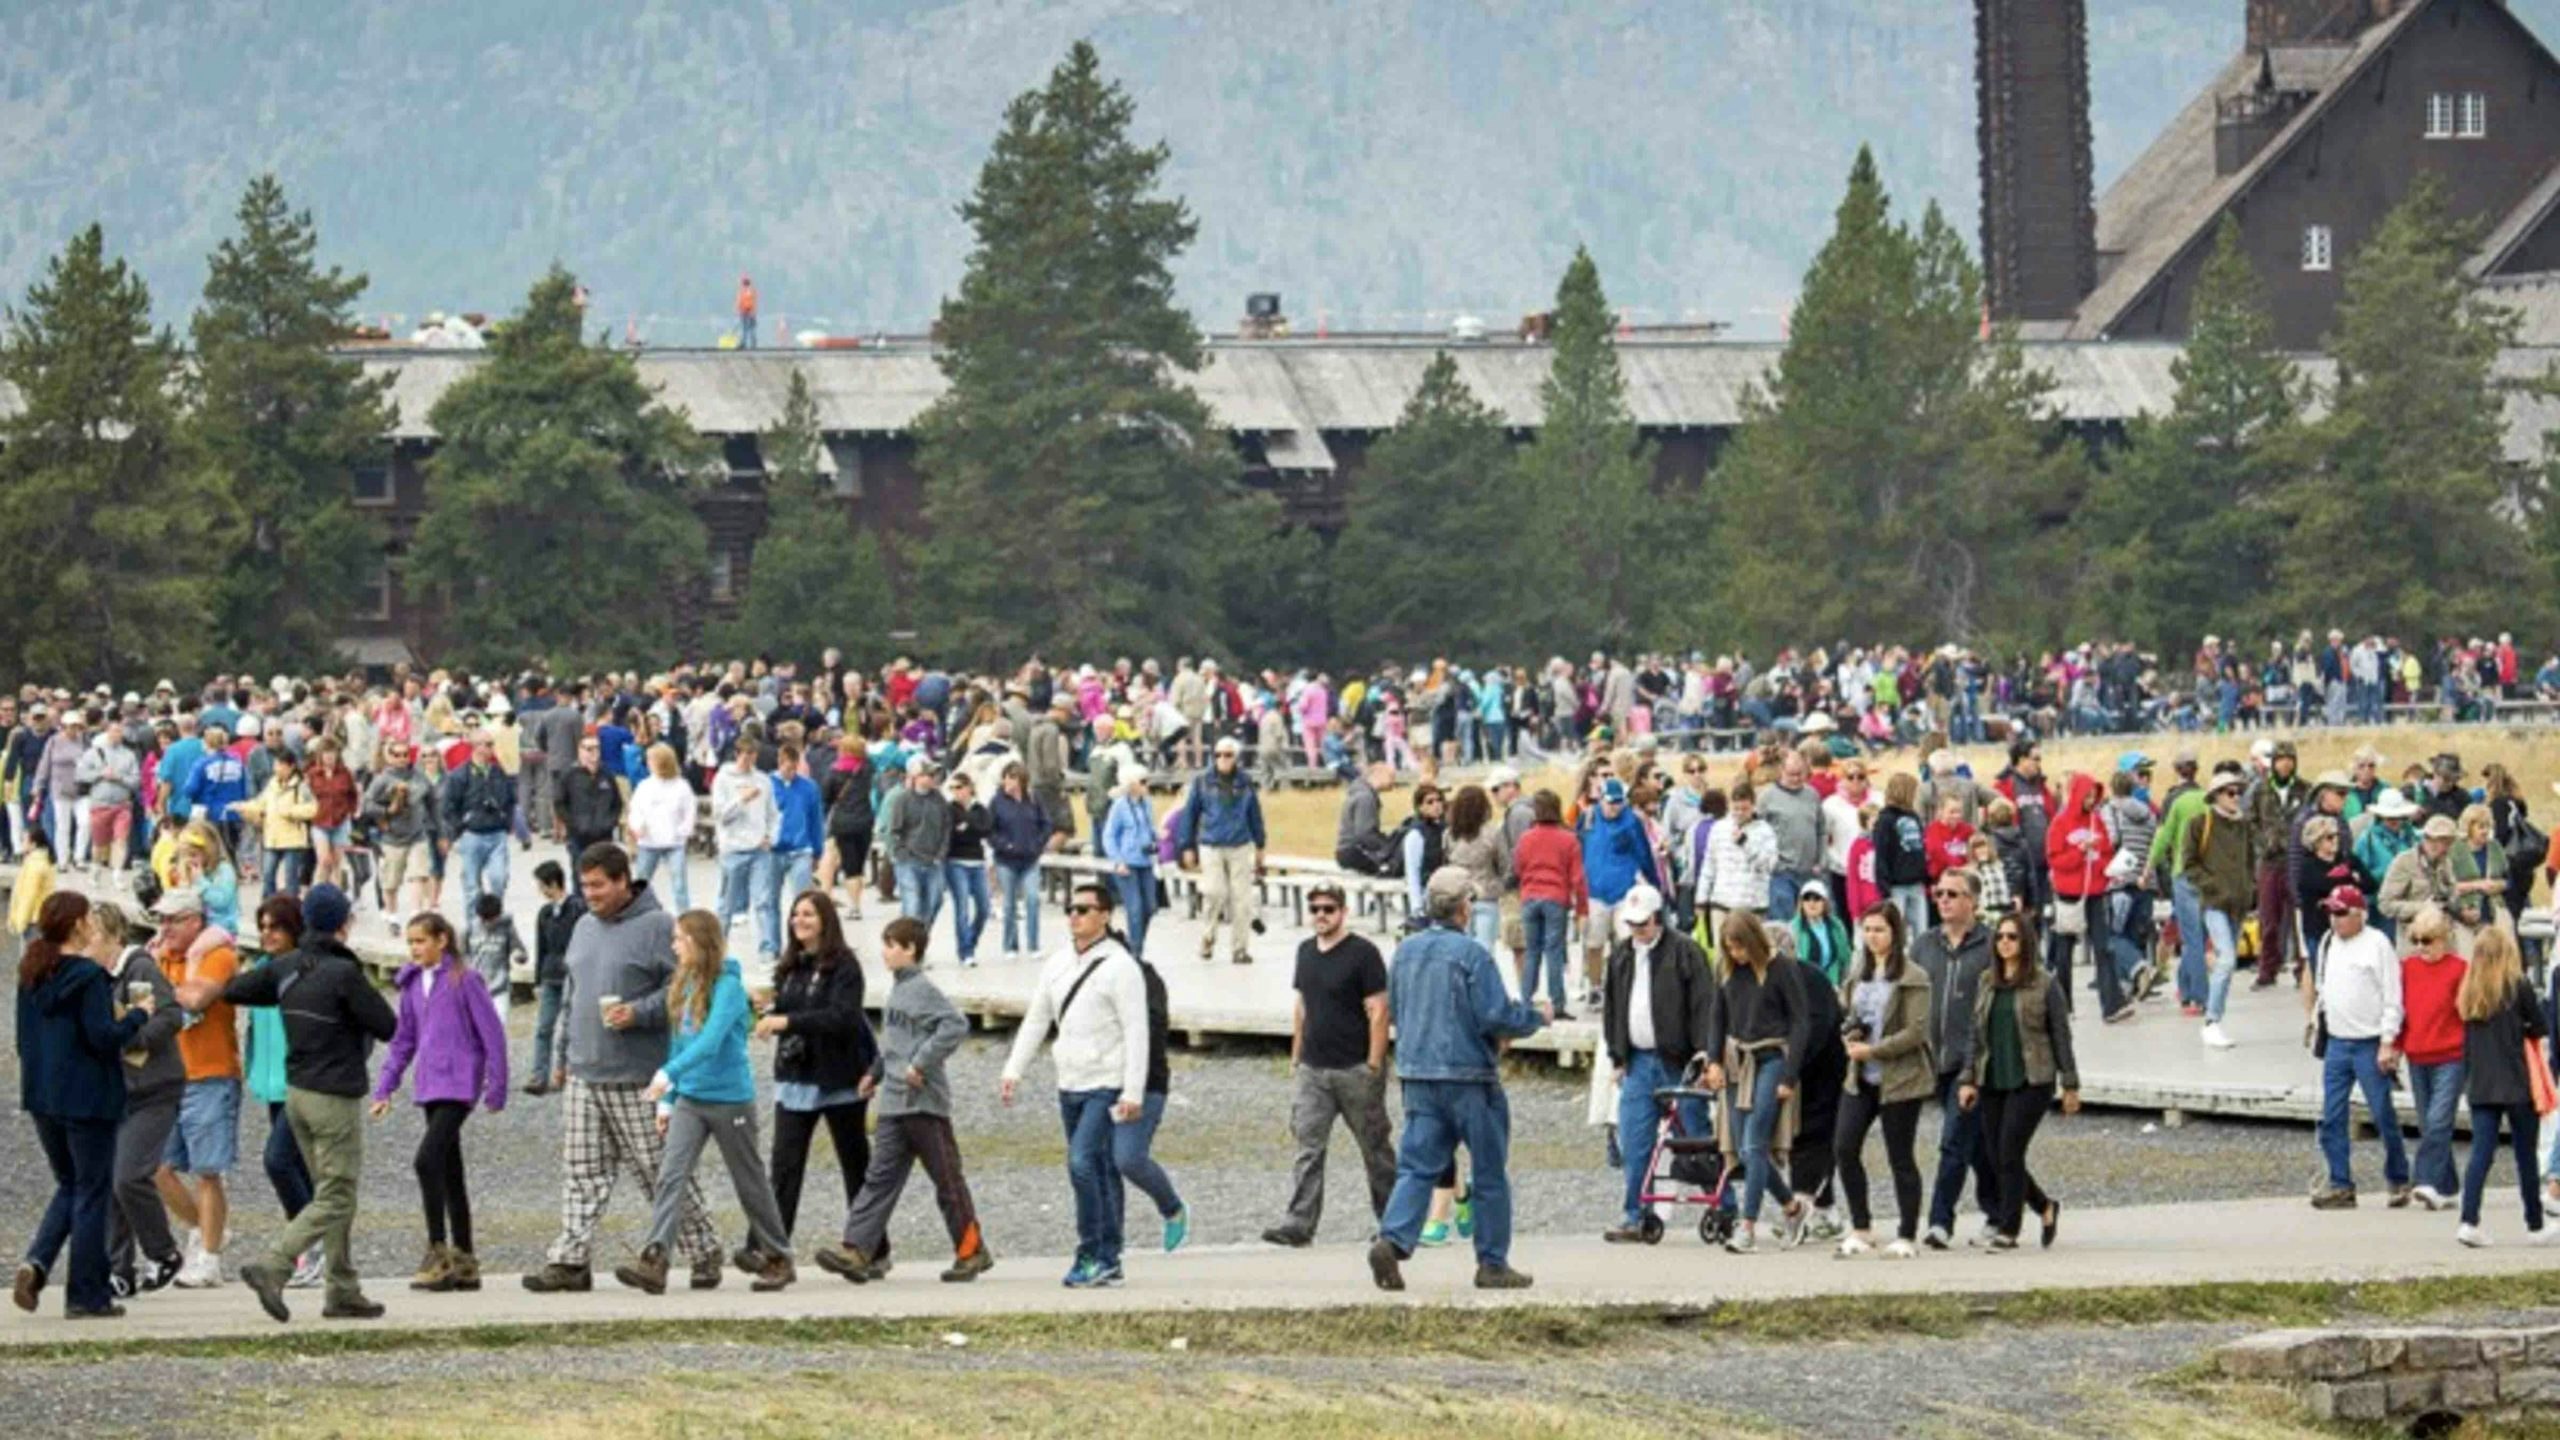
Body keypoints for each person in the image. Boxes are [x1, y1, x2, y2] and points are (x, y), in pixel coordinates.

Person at [179, 884, 399, 1323]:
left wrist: (200, 967)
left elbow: (235, 990)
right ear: (343, 924)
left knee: (329, 1193)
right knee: (337, 1194)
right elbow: (387, 1025)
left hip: (296, 1095)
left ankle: (342, 1289)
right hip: (332, 1096)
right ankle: (275, 1264)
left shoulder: (285, 968)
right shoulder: (344, 974)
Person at [525, 844, 724, 1294]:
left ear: (622, 881)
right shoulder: (583, 926)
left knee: (659, 1171)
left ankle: (704, 1249)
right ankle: (570, 1260)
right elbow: (572, 995)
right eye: (585, 885)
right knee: (581, 1171)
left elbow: (686, 987)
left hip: (638, 1076)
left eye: (598, 885)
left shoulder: (659, 927)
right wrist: (561, 1056)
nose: (590, 894)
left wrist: (640, 1012)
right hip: (584, 1072)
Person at [1368, 867, 1549, 1292]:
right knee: (1488, 1170)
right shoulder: (1471, 954)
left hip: (1417, 1074)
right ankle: (1492, 1262)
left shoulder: (1405, 952)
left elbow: (1394, 1010)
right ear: (1464, 908)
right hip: (1469, 1077)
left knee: (1417, 1167)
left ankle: (1392, 1240)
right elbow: (1494, 1015)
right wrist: (1534, 1017)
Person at [615, 910, 796, 1295]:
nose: (674, 946)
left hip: (730, 1100)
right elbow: (679, 1043)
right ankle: (656, 1258)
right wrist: (669, 1099)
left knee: (749, 1181)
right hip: (691, 1099)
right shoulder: (683, 984)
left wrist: (667, 1074)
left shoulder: (728, 987)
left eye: (679, 939)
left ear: (698, 942)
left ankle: (778, 1255)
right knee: (671, 1174)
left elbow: (710, 1042)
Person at [821, 916, 991, 1283]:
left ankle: (971, 1251)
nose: (884, 952)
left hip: (924, 1104)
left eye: (891, 945)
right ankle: (856, 1250)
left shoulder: (922, 989)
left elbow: (955, 1025)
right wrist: (874, 1073)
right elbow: (894, 1045)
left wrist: (922, 1062)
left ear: (910, 950)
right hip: (893, 1104)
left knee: (947, 1181)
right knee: (878, 1179)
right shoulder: (897, 990)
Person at [1000, 880, 1150, 1289]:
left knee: (1082, 1162)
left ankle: (1091, 1250)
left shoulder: (1121, 967)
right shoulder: (1058, 963)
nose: (1075, 916)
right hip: (1070, 1081)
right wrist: (1014, 1069)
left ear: (1105, 915)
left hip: (1107, 1082)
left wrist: (1133, 1091)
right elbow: (1038, 1017)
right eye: (1071, 909)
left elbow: (1137, 1030)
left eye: (1084, 909)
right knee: (1098, 1168)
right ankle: (1110, 1258)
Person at [13, 893, 153, 1319]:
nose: (93, 921)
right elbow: (103, 1037)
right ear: (77, 925)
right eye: (88, 916)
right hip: (88, 1097)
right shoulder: (88, 976)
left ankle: (38, 1262)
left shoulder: (32, 972)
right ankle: (86, 1294)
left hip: (43, 1096)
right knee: (92, 1191)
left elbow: (22, 1039)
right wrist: (138, 1015)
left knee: (70, 1183)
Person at [369, 911, 508, 1293]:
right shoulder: (413, 984)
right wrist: (385, 1087)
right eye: (410, 942)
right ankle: (465, 1259)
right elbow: (404, 1041)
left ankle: (438, 1252)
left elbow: (492, 1034)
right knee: (450, 1170)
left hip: (459, 1084)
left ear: (441, 940)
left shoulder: (465, 980)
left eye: (421, 941)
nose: (414, 949)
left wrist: (496, 1086)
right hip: (429, 1084)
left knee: (426, 1160)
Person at [1263, 880, 1394, 1248]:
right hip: (1313, 1069)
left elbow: (1379, 1009)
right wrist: (1296, 1055)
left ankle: (1394, 1224)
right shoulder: (1304, 951)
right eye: (1315, 909)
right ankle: (1298, 1224)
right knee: (1308, 1148)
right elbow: (1302, 1005)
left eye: (1329, 909)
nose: (1321, 915)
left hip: (1355, 1068)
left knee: (1376, 1149)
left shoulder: (1363, 953)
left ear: (1343, 912)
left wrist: (1374, 1063)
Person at [753, 891, 873, 1256]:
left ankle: (870, 1247)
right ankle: (770, 1250)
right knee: (784, 1167)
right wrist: (769, 1007)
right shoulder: (791, 965)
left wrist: (786, 1021)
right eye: (795, 914)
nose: (799, 921)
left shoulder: (846, 967)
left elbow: (842, 1018)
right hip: (795, 1078)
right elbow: (793, 1007)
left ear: (825, 920)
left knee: (855, 1166)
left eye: (808, 914)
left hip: (839, 1078)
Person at [1598, 883, 1715, 1244]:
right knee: (1635, 1141)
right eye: (1632, 924)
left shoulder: (1686, 952)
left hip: (1679, 1062)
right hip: (1637, 1061)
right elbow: (1612, 1009)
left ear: (1658, 917)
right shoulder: (1620, 956)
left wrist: (1704, 1054)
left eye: (1643, 923)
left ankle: (1724, 1203)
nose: (1637, 930)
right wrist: (1617, 1056)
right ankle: (1635, 1213)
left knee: (1694, 1137)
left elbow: (1704, 1005)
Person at [1958, 910, 2078, 1249]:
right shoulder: (1986, 981)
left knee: (2010, 1151)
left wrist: (2070, 1084)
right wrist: (1967, 1078)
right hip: (1993, 1076)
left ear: (2026, 941)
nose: (2004, 943)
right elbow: (1975, 1034)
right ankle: (2044, 1206)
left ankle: (2008, 1228)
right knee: (1996, 1155)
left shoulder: (2045, 983)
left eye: (2012, 937)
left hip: (2032, 1078)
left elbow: (2061, 1035)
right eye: (1999, 937)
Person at [1705, 911, 1816, 1253]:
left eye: (1740, 947)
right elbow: (1717, 1017)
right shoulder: (1726, 971)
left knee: (1755, 1143)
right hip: (1738, 1059)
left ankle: (1747, 1226)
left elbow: (1800, 1022)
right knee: (1745, 1149)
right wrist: (1713, 1061)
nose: (1736, 954)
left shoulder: (1782, 968)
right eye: (1730, 948)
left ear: (1753, 942)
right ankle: (1792, 1207)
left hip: (1772, 1057)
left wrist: (1790, 1074)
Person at [147, 887, 240, 1290]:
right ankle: (204, 1228)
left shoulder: (218, 955)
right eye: (161, 920)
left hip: (211, 1074)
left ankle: (210, 1258)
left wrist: (158, 994)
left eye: (173, 920)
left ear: (195, 921)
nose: (164, 927)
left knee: (207, 1171)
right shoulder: (161, 956)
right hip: (167, 1076)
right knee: (155, 1168)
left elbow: (197, 997)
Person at [1833, 902, 1933, 1258]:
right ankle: (1861, 1226)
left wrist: (1873, 1050)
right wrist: (1850, 1034)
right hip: (1860, 1077)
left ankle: (1907, 1233)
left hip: (1900, 1079)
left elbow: (1916, 1032)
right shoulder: (1858, 971)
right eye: (1868, 929)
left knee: (1900, 1156)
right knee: (1844, 1147)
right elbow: (1849, 1012)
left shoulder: (1913, 976)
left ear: (1895, 933)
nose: (1872, 936)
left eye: (1880, 930)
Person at [97, 903, 185, 1297]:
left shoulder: (137, 970)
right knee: (109, 1180)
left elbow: (168, 1016)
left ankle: (163, 1252)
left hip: (152, 1089)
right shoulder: (96, 978)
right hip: (115, 1092)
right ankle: (119, 1269)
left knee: (129, 1175)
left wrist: (132, 1039)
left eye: (91, 937)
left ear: (114, 937)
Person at [2310, 885, 2411, 1210]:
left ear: (2360, 915)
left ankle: (2398, 1176)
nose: (2334, 919)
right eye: (2331, 913)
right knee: (2332, 1115)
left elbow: (2393, 996)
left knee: (2382, 1113)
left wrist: (2388, 1041)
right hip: (2337, 1041)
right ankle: (2340, 1182)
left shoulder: (2378, 944)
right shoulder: (2328, 942)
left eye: (2341, 913)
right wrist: (2316, 1021)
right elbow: (2324, 986)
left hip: (2370, 1042)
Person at [1915, 869, 1998, 1248]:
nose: (1944, 900)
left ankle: (1939, 1222)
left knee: (1952, 1141)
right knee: (1976, 1144)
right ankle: (2008, 1208)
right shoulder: (1924, 945)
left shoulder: (1990, 945)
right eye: (1939, 894)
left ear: (1973, 901)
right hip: (1934, 1061)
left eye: (1953, 894)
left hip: (1973, 1063)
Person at [2455, 927, 2550, 1247]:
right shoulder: (2517, 986)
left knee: (2481, 1153)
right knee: (2525, 1155)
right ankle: (2534, 1224)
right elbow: (2539, 1026)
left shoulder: (2469, 990)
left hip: (2480, 1083)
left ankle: (2469, 1219)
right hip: (2516, 1081)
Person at [2396, 906, 2470, 1212]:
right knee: (2429, 1123)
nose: (2421, 947)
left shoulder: (2460, 968)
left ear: (2443, 939)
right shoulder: (2407, 968)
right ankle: (2448, 1187)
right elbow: (2400, 1011)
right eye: (2416, 940)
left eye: (2427, 940)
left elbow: (2467, 1012)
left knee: (2439, 1120)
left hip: (2452, 1054)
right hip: (2417, 1054)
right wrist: (2395, 1045)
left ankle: (2425, 1180)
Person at [2182, 770, 2254, 1050]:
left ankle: (2214, 1019)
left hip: (2238, 903)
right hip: (2214, 902)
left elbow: (2249, 861)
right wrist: (2211, 886)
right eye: (2230, 792)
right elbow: (2189, 863)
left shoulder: (2243, 826)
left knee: (2228, 959)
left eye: (2239, 792)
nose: (2236, 797)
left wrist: (2250, 891)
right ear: (2216, 796)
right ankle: (2212, 1021)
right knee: (2226, 959)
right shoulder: (2200, 824)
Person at [1179, 736, 1267, 965]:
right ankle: (1208, 937)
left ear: (1235, 757)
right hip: (1211, 844)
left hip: (1239, 844)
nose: (1222, 759)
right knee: (1214, 892)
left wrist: (1260, 845)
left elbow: (1255, 814)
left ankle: (1240, 948)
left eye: (1227, 755)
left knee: (1242, 899)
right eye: (1218, 754)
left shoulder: (1245, 782)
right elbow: (1189, 815)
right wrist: (1186, 846)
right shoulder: (1202, 782)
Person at [1513, 790, 1588, 1018]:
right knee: (1554, 951)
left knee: (1532, 950)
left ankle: (1526, 1000)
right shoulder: (1568, 839)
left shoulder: (1525, 838)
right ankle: (1557, 1003)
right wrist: (1582, 908)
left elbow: (1518, 868)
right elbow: (1578, 878)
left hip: (1530, 896)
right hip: (1556, 897)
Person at [711, 745, 780, 963]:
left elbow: (773, 813)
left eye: (753, 755)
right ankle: (718, 948)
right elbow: (721, 816)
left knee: (763, 900)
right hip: (732, 849)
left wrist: (771, 836)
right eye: (745, 755)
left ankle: (767, 948)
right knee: (727, 904)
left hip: (759, 849)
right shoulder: (723, 779)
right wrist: (742, 800)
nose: (749, 759)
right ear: (737, 754)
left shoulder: (763, 780)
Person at [363, 739, 438, 922]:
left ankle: (415, 912)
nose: (402, 758)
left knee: (418, 875)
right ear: (389, 757)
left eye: (405, 754)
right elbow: (366, 805)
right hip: (392, 837)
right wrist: (386, 811)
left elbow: (432, 802)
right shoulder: (382, 779)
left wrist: (438, 828)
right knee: (390, 883)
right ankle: (392, 915)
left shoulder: (419, 777)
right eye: (397, 754)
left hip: (417, 835)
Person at [526, 862, 584, 1096]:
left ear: (552, 884)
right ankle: (539, 1074)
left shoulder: (577, 908)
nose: (540, 890)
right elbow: (541, 947)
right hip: (551, 976)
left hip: (573, 975)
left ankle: (566, 1071)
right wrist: (537, 980)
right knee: (544, 1027)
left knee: (571, 1028)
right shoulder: (545, 913)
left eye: (542, 885)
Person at [439, 732, 515, 904]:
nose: (490, 748)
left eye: (491, 744)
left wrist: (506, 821)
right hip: (471, 835)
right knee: (472, 886)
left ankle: (494, 914)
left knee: (499, 879)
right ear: (475, 746)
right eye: (486, 744)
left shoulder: (498, 771)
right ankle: (473, 919)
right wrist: (460, 827)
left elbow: (510, 799)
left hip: (497, 833)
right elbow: (448, 806)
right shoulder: (459, 775)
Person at [233, 748, 318, 900]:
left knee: (291, 876)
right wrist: (244, 807)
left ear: (291, 766)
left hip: (293, 839)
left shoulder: (300, 787)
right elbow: (260, 803)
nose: (276, 768)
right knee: (268, 874)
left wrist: (290, 811)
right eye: (276, 765)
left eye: (280, 765)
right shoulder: (272, 786)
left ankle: (292, 904)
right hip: (272, 837)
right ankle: (268, 902)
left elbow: (312, 808)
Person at [988, 762, 1048, 961]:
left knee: (1032, 899)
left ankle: (1033, 944)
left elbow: (1046, 823)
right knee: (1009, 903)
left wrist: (1038, 844)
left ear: (1022, 781)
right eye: (1006, 777)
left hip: (1030, 859)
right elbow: (990, 830)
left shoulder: (1034, 799)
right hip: (1006, 860)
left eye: (1013, 778)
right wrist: (1004, 845)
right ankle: (1010, 945)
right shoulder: (997, 802)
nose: (1008, 782)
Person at [627, 744, 696, 911]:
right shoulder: (644, 786)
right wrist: (637, 826)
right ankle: (636, 912)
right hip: (649, 842)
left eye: (651, 760)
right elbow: (635, 810)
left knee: (679, 884)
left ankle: (684, 914)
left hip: (674, 842)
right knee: (641, 882)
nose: (648, 763)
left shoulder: (682, 786)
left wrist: (683, 831)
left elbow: (690, 810)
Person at [889, 760, 952, 926]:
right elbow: (894, 830)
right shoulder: (902, 799)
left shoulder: (939, 800)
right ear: (916, 777)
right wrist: (900, 852)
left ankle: (922, 934)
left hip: (934, 860)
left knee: (935, 901)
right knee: (912, 904)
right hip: (909, 860)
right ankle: (911, 936)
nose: (932, 778)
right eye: (927, 775)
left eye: (933, 775)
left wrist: (941, 853)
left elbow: (946, 827)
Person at [1101, 771, 1157, 956]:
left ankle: (1135, 941)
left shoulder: (1147, 803)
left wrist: (1158, 838)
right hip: (1127, 863)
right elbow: (1109, 835)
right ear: (1132, 784)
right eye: (1143, 782)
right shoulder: (1119, 806)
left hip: (1146, 861)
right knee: (1135, 908)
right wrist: (1118, 861)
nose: (1146, 785)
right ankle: (1135, 952)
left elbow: (1150, 828)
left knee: (1150, 907)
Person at [941, 771, 992, 967]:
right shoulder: (949, 809)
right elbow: (952, 834)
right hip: (956, 862)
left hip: (977, 862)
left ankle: (970, 939)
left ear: (969, 787)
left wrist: (967, 825)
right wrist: (969, 828)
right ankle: (965, 951)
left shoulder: (980, 809)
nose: (956, 792)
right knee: (961, 908)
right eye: (952, 788)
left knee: (984, 908)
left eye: (959, 787)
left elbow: (986, 829)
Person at [553, 735, 624, 863]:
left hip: (604, 836)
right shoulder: (569, 775)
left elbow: (617, 802)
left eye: (597, 748)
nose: (594, 752)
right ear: (580, 751)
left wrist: (610, 822)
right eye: (589, 749)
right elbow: (559, 803)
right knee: (580, 871)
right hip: (578, 837)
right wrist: (573, 825)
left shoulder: (607, 774)